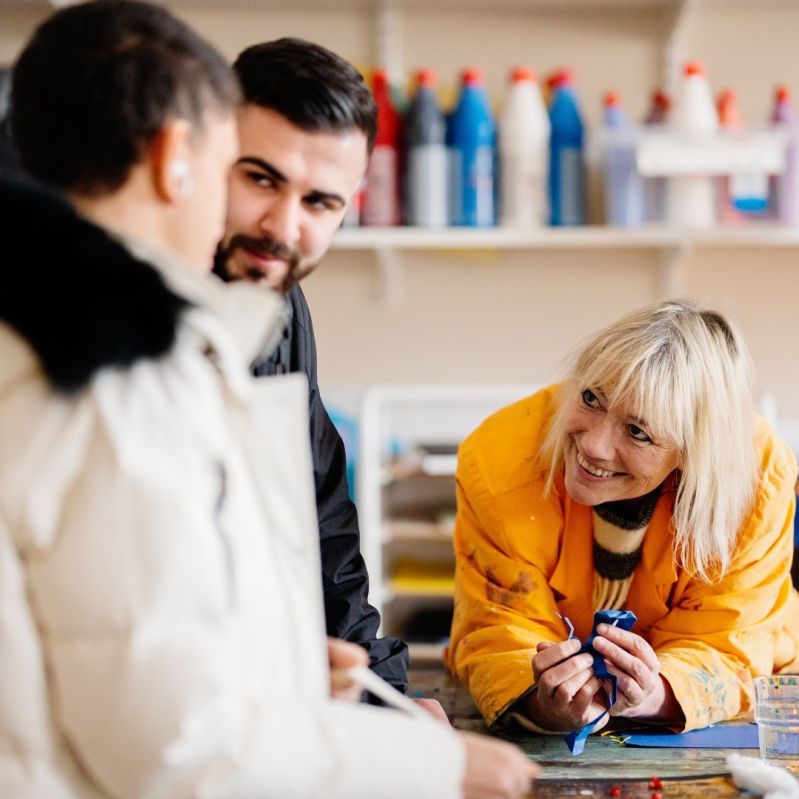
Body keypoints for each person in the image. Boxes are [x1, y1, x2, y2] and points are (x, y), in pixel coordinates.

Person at [0, 2, 538, 797]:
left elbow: (132, 613)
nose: (280, 224)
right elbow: (170, 747)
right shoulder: (118, 369)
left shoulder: (247, 320)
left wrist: (274, 662)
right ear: (180, 157)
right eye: (247, 171)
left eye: (322, 202)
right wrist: (432, 765)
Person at [446, 300, 799, 735]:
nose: (594, 445)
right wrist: (543, 701)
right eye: (591, 398)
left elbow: (731, 639)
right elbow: (499, 627)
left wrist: (657, 695)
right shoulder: (498, 457)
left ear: (692, 454)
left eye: (637, 432)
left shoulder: (759, 480)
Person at [213, 38, 410, 694]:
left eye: (319, 202)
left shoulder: (279, 305)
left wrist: (385, 694)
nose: (282, 226)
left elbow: (317, 511)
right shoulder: (111, 302)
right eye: (260, 179)